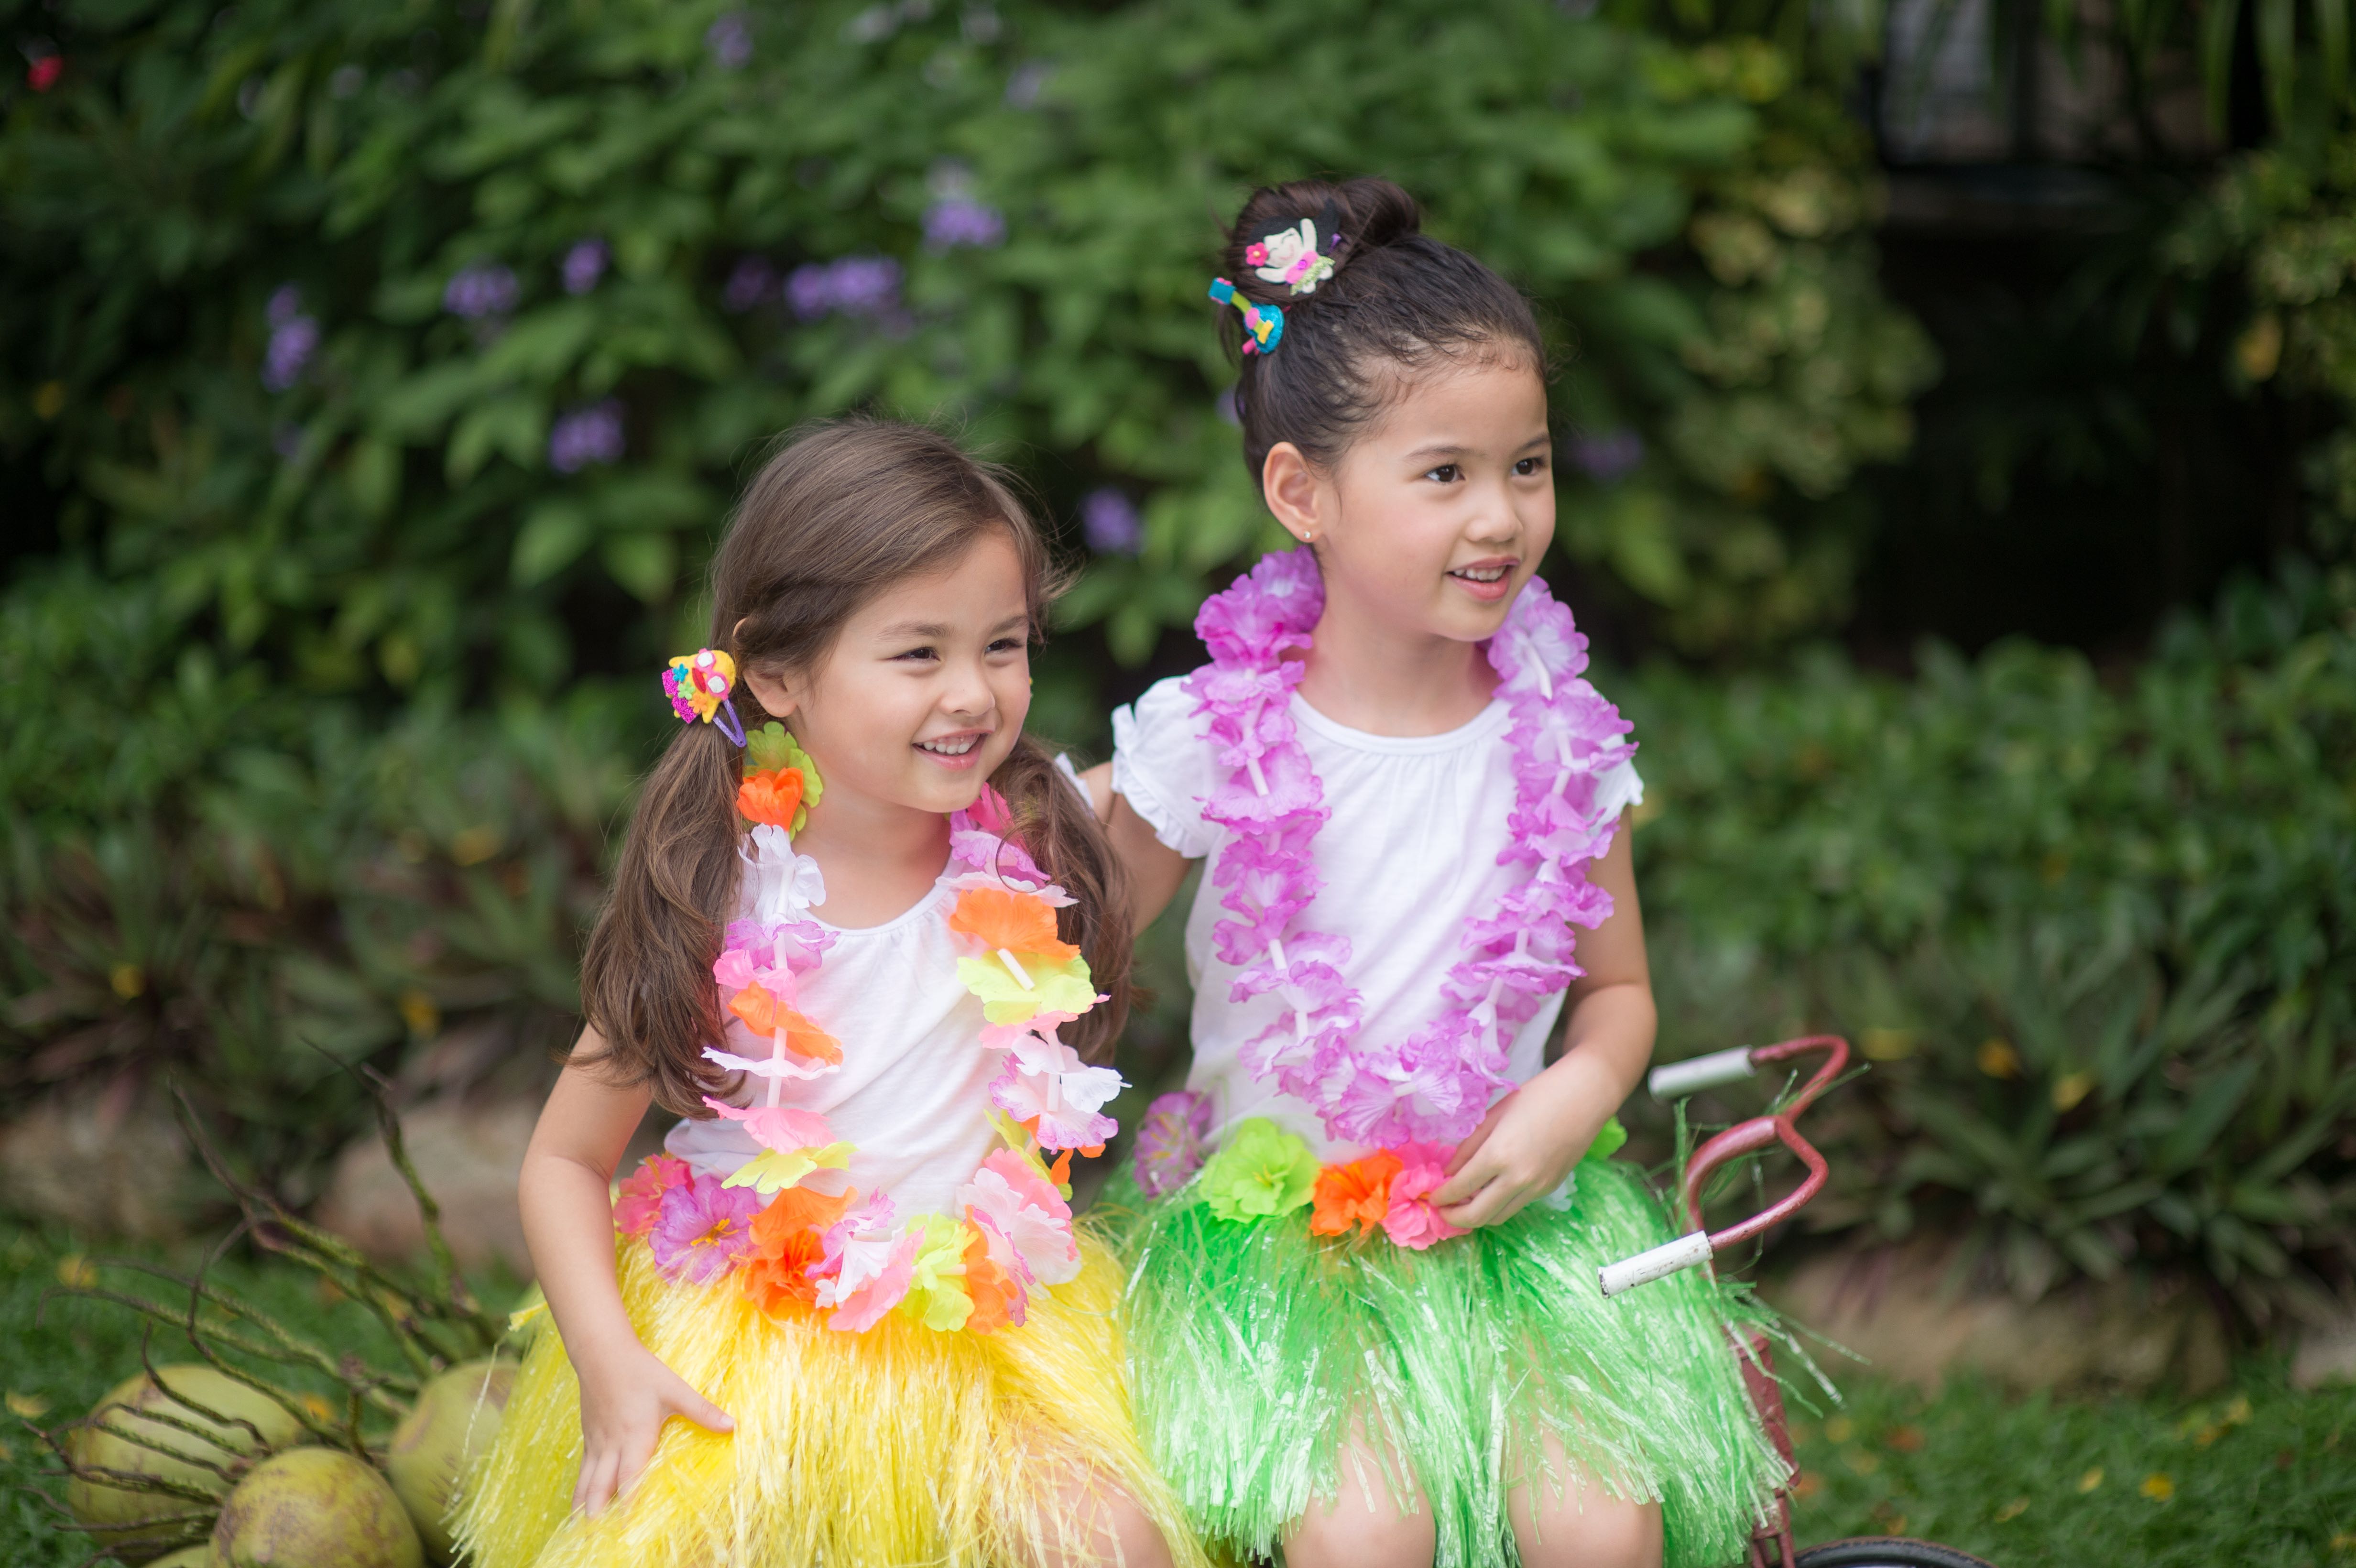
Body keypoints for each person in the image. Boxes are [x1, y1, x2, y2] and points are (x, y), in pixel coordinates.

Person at [1086, 180, 1789, 1568]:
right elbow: (1070, 961)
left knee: (1602, 1526)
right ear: (1303, 492)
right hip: (1283, 1241)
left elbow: (1621, 994)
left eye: (1526, 467)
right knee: (1367, 1534)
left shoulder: (1566, 744)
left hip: (1517, 1224)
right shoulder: (1218, 739)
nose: (1501, 517)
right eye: (1445, 474)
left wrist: (1574, 1100)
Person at [458, 420, 1201, 1568]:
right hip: (752, 1331)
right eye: (918, 654)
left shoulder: (1043, 845)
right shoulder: (715, 891)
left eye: (1004, 645)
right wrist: (613, 1372)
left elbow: (1206, 751)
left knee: (1109, 1543)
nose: (973, 693)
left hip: (977, 1331)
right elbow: (562, 1161)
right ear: (777, 673)